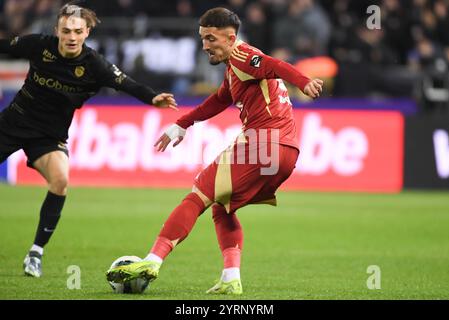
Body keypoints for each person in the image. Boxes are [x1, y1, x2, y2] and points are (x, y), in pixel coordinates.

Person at [106, 7, 323, 295]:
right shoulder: (235, 70)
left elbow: (274, 64)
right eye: (202, 38)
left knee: (198, 195)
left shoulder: (243, 55)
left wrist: (304, 81)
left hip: (264, 142)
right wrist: (182, 123)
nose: (205, 45)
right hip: (286, 154)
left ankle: (152, 261)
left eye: (211, 39)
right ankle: (231, 277)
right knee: (222, 207)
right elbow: (220, 99)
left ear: (231, 38)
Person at [0, 3, 177, 278]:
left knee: (60, 180)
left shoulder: (94, 65)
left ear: (87, 32)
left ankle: (36, 252)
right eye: (66, 30)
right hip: (13, 123)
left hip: (49, 135)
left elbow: (127, 83)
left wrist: (152, 98)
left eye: (78, 31)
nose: (72, 36)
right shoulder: (38, 46)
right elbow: (5, 46)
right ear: (57, 31)